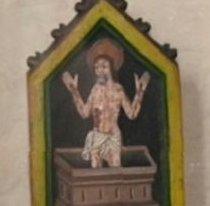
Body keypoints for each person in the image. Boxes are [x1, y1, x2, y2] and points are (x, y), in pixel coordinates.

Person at [60, 38, 150, 168]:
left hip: (113, 137)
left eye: (104, 66)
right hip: (97, 137)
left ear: (111, 68)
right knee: (96, 175)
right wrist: (74, 92)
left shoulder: (118, 89)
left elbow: (131, 114)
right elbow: (85, 113)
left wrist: (139, 93)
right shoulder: (95, 90)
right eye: (97, 67)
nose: (100, 70)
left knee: (115, 174)